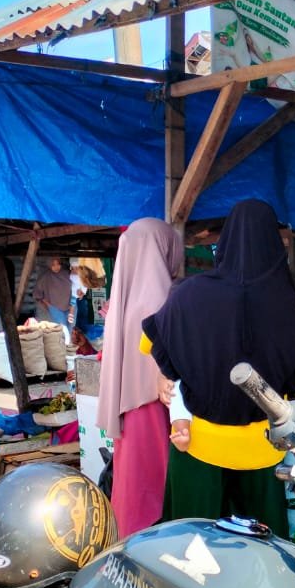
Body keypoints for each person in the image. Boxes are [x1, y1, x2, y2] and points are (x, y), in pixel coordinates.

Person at [144, 199, 295, 532]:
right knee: (264, 554)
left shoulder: (187, 295)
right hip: (262, 448)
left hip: (198, 444)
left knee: (190, 549)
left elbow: (154, 343)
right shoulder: (288, 303)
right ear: (274, 244)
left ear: (224, 242)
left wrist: (163, 376)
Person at [97, 218, 184, 536]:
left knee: (132, 481)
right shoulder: (162, 299)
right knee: (156, 484)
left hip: (131, 408)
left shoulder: (124, 299)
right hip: (158, 407)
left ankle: (126, 545)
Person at [32, 259, 72, 326]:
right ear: (49, 265)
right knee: (63, 329)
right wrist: (47, 304)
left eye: (58, 264)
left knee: (69, 330)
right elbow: (37, 294)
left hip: (70, 308)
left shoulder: (66, 274)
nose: (56, 267)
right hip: (54, 308)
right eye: (53, 265)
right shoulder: (45, 277)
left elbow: (75, 288)